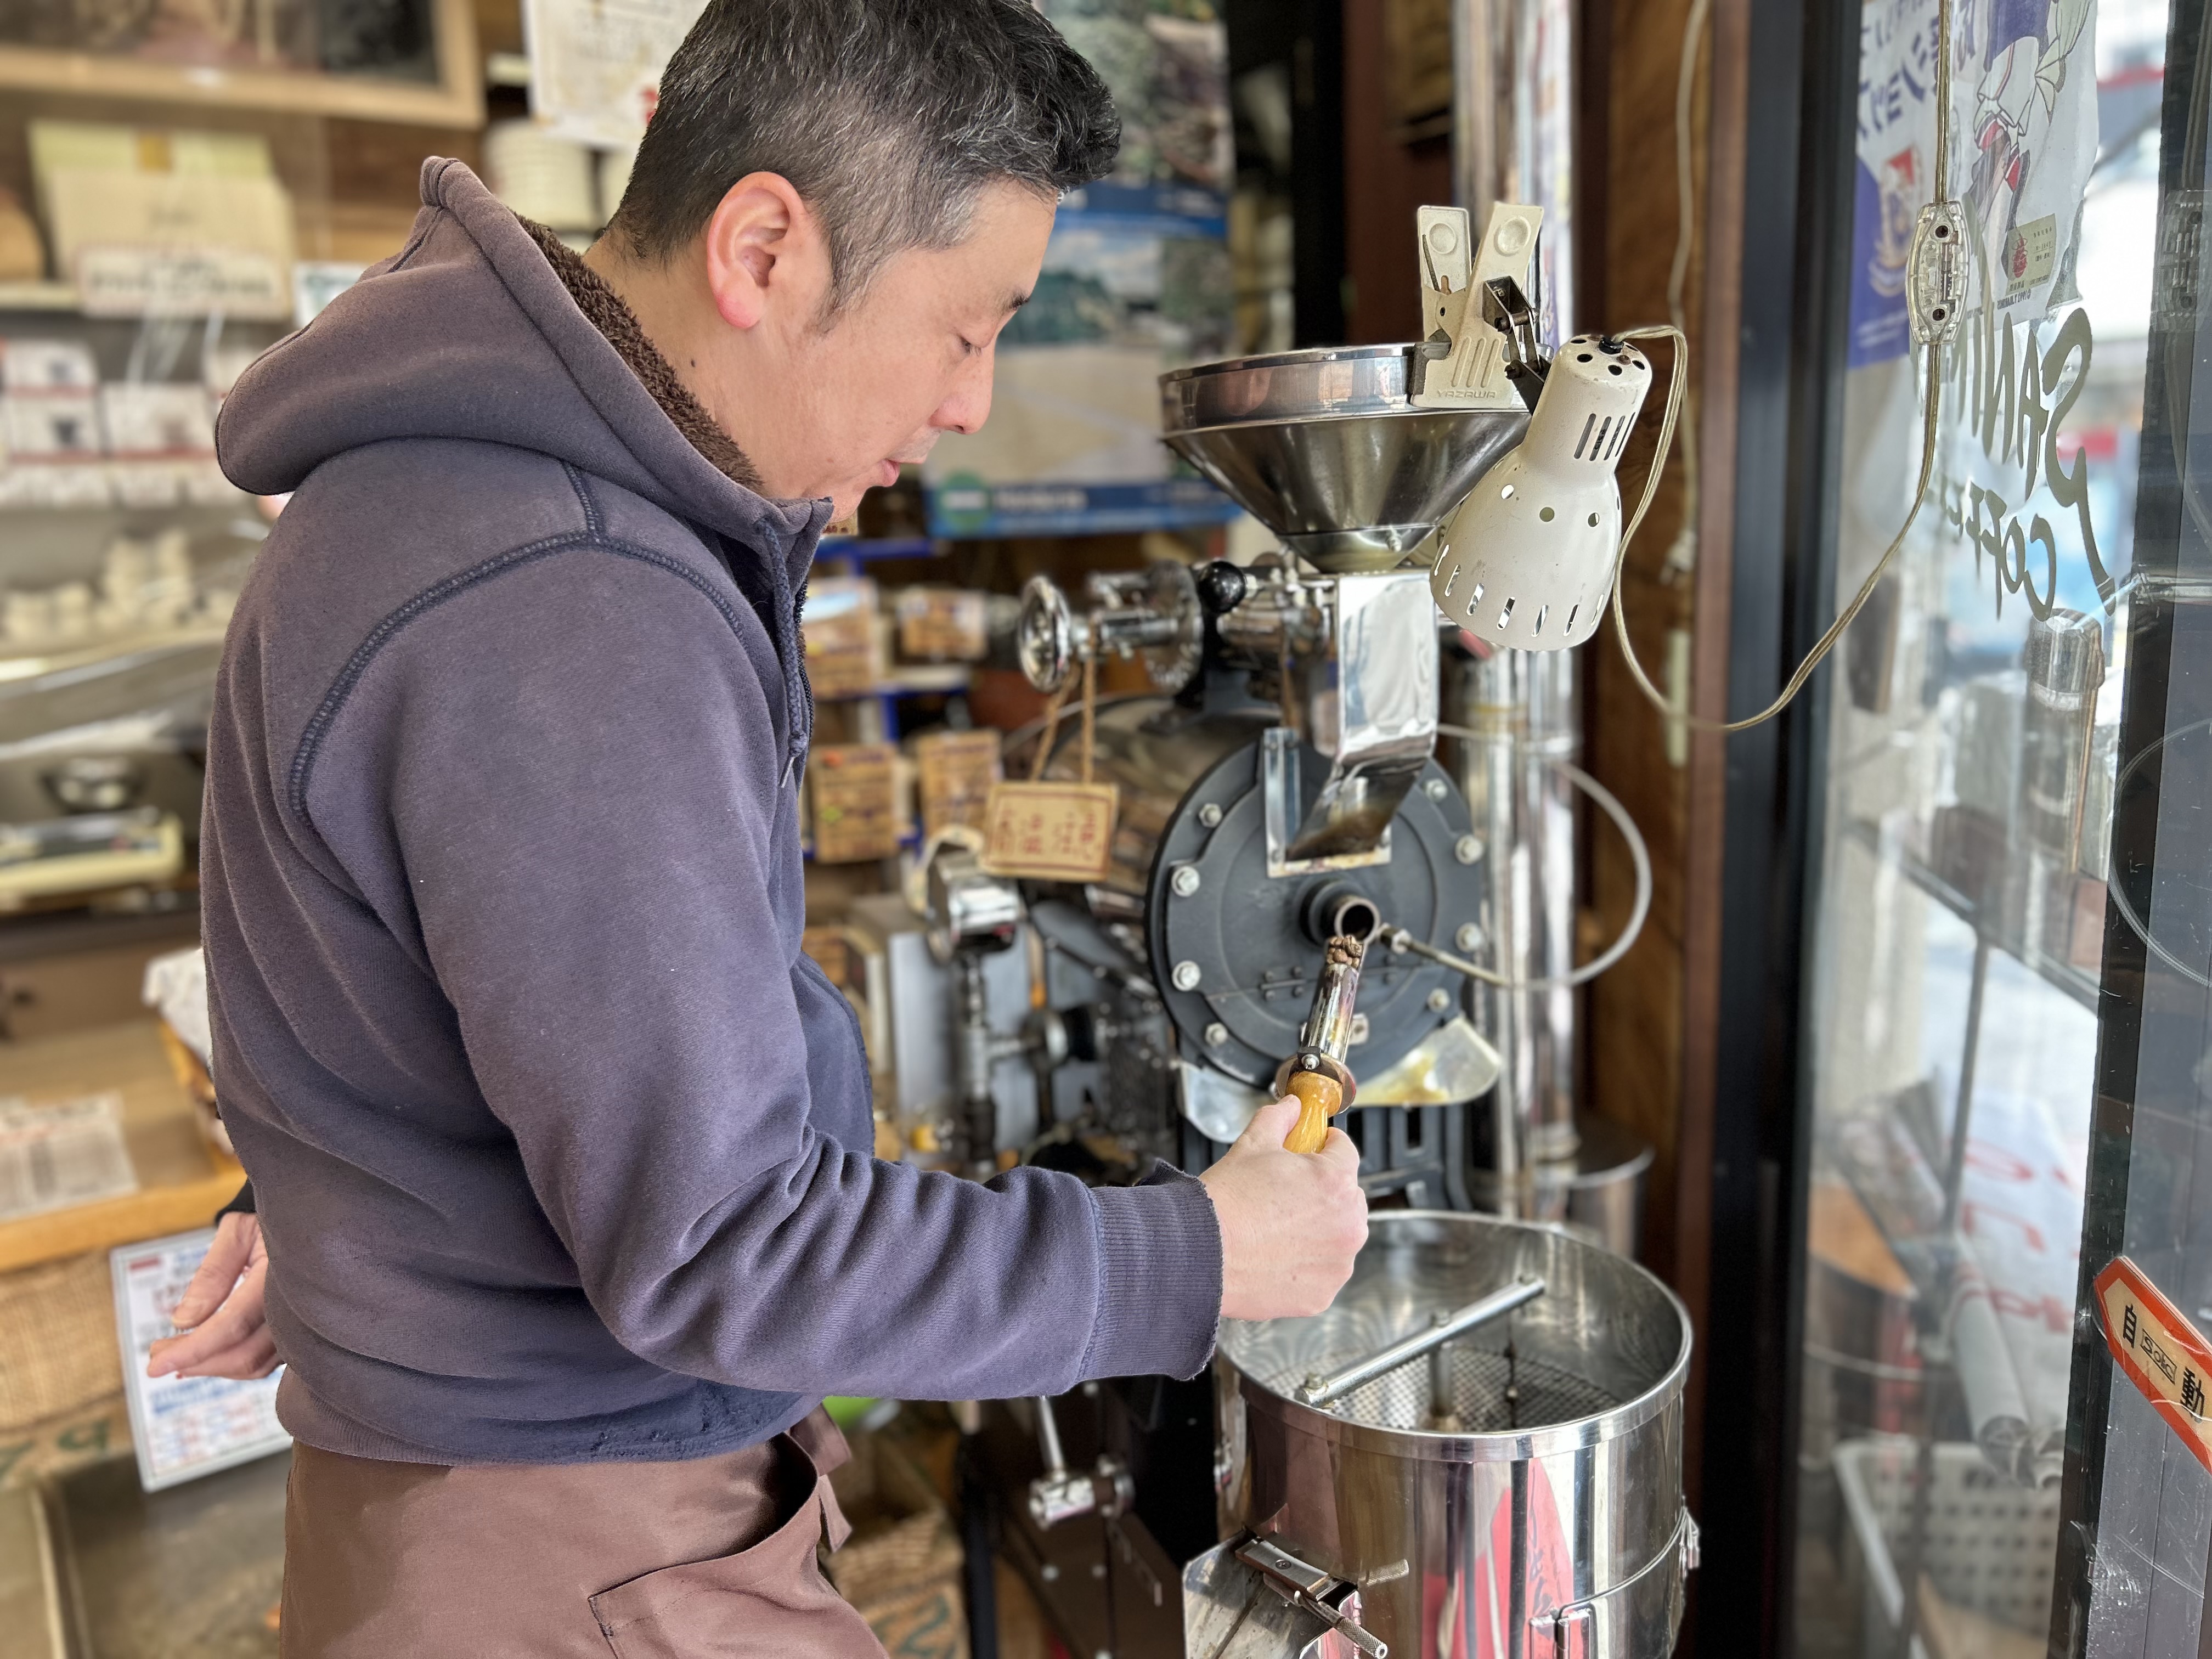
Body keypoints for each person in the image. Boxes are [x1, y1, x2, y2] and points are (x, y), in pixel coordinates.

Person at [146, 1, 1369, 1654]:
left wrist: (338, 1205)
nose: (972, 401)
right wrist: (1195, 1256)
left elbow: (393, 978)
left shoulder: (441, 494)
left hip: (482, 1492)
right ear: (765, 250)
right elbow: (728, 1247)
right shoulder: (574, 596)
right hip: (568, 1546)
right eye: (965, 328)